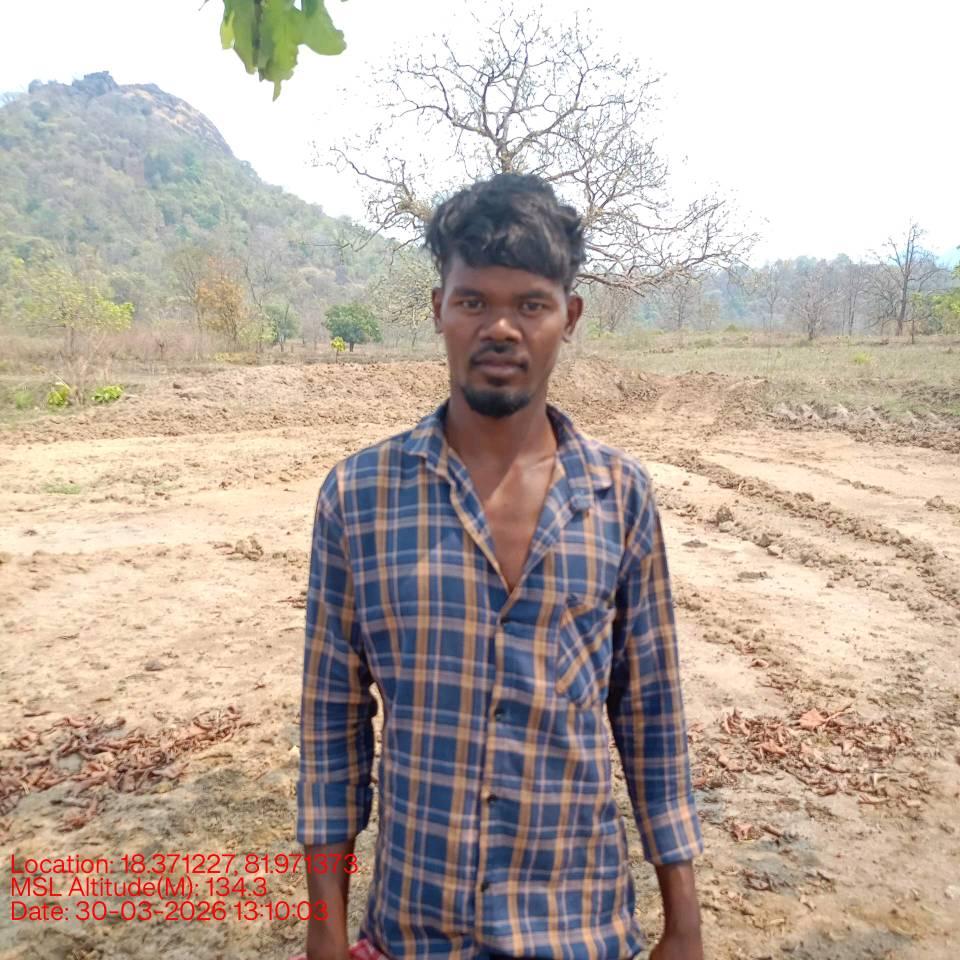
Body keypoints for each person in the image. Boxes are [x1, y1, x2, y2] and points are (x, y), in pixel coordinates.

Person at [295, 174, 704, 960]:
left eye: (531, 305)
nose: (502, 328)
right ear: (438, 310)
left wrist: (683, 923)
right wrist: (324, 929)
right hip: (417, 931)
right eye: (474, 301)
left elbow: (651, 716)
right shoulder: (358, 497)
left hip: (582, 929)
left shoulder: (619, 495)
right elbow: (331, 730)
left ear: (569, 317)